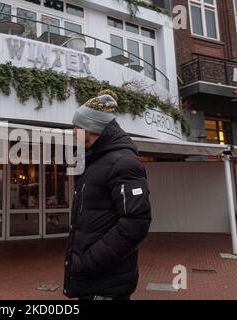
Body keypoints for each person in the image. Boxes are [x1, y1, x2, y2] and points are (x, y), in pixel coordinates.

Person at [63, 89, 152, 300]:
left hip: (107, 285)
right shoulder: (93, 161)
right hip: (92, 283)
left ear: (91, 128)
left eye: (76, 127)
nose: (73, 132)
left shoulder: (123, 162)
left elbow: (136, 222)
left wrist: (92, 260)